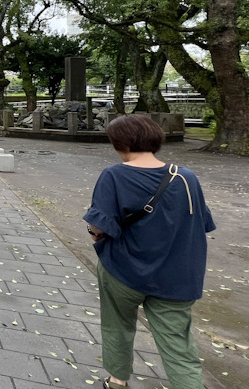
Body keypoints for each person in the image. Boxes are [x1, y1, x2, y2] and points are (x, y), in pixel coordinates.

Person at [84, 114, 215, 389]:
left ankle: (118, 380)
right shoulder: (186, 177)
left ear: (119, 143)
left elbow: (99, 223)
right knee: (178, 342)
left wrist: (96, 239)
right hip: (176, 277)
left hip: (123, 268)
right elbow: (201, 223)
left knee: (117, 324)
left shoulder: (114, 175)